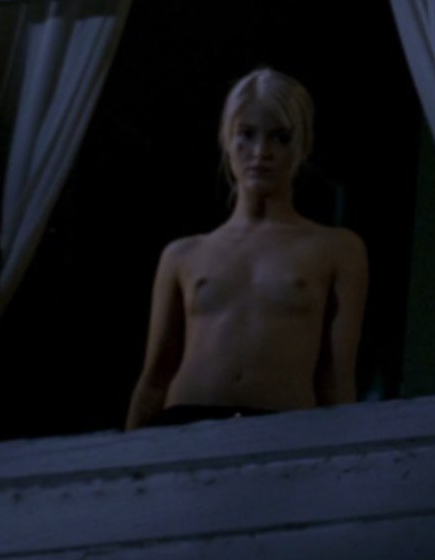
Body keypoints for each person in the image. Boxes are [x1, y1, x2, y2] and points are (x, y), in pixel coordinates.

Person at [125, 68, 368, 430]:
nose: (261, 152)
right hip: (185, 426)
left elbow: (336, 379)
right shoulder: (183, 255)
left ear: (302, 145)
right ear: (227, 139)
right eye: (247, 135)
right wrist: (128, 458)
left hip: (283, 430)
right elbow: (155, 378)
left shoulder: (337, 249)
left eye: (280, 138)